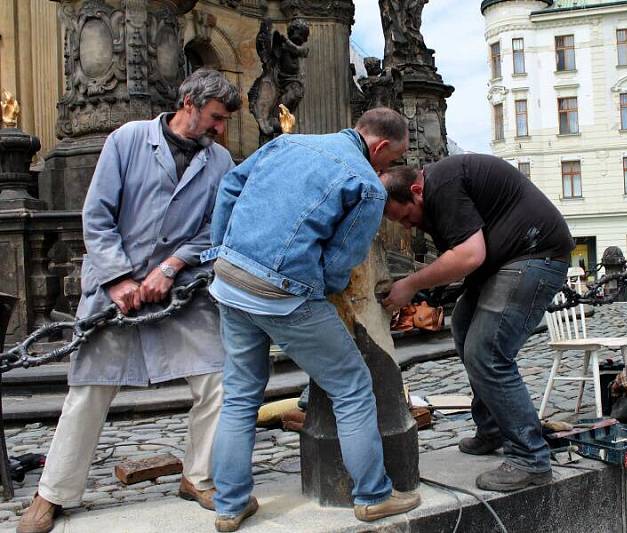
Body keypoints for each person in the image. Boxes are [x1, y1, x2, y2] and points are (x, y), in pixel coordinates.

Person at [17, 69, 242, 533]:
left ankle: (199, 476)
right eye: (216, 117)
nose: (220, 128)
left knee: (217, 378)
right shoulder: (127, 139)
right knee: (89, 390)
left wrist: (171, 267)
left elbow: (214, 229)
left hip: (182, 290)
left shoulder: (220, 161)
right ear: (188, 103)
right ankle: (52, 493)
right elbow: (97, 214)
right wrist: (120, 279)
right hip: (113, 287)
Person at [207, 107, 420, 532]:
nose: (388, 167)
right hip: (284, 293)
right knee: (353, 387)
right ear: (379, 147)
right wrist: (318, 287)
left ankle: (229, 506)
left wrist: (221, 251)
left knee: (239, 396)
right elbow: (341, 262)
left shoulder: (288, 142)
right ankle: (374, 496)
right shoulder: (367, 185)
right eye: (391, 159)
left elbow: (230, 186)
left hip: (229, 280)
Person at [380, 154, 575, 491]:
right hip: (508, 259)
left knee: (487, 352)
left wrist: (411, 284)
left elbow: (470, 256)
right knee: (464, 327)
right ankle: (493, 427)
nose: (409, 227)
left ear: (416, 189)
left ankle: (530, 458)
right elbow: (460, 260)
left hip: (535, 255)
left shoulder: (442, 185)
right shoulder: (438, 192)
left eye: (408, 216)